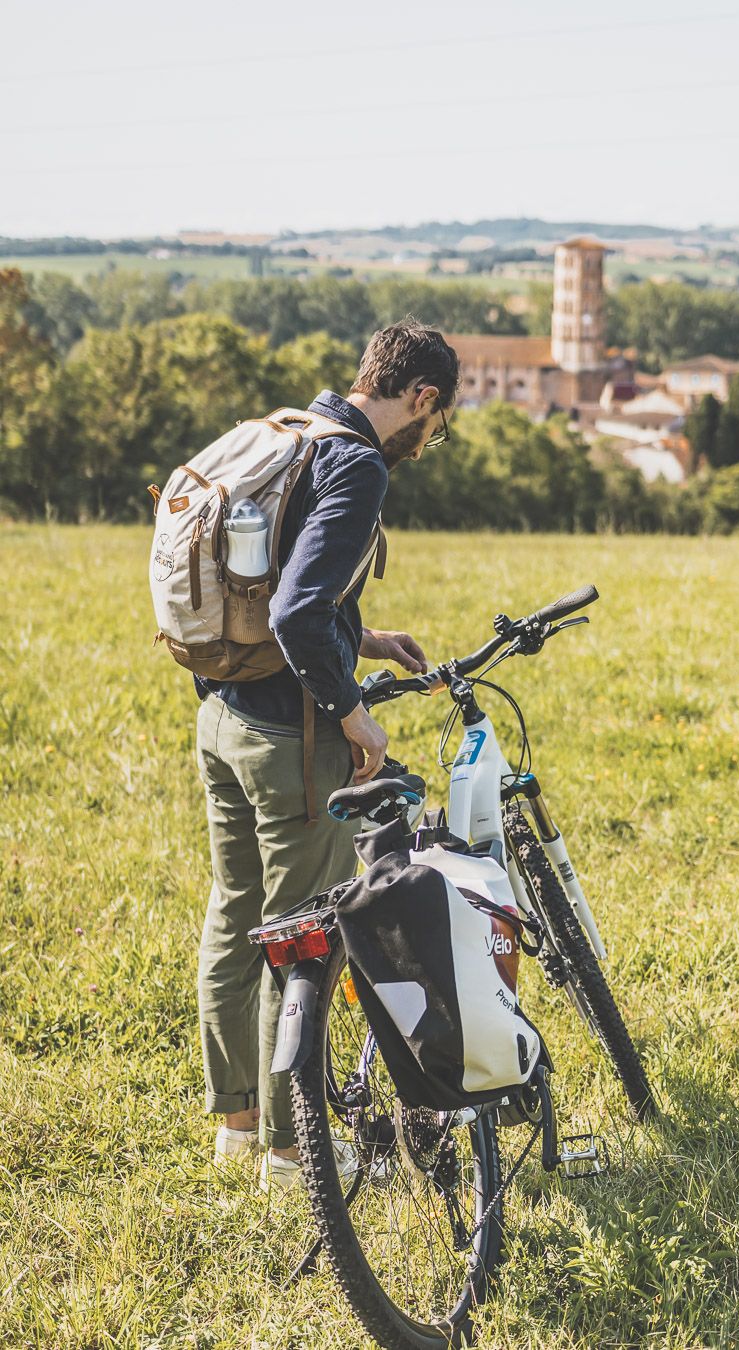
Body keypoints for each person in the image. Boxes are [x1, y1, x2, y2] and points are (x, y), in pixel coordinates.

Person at [194, 319, 459, 1191]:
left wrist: (367, 635)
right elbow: (296, 615)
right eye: (440, 419)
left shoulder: (299, 433)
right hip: (290, 740)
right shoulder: (359, 466)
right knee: (299, 939)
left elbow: (282, 585)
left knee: (236, 913)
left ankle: (236, 1123)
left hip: (224, 720)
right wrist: (353, 717)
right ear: (420, 397)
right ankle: (288, 1149)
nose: (435, 435)